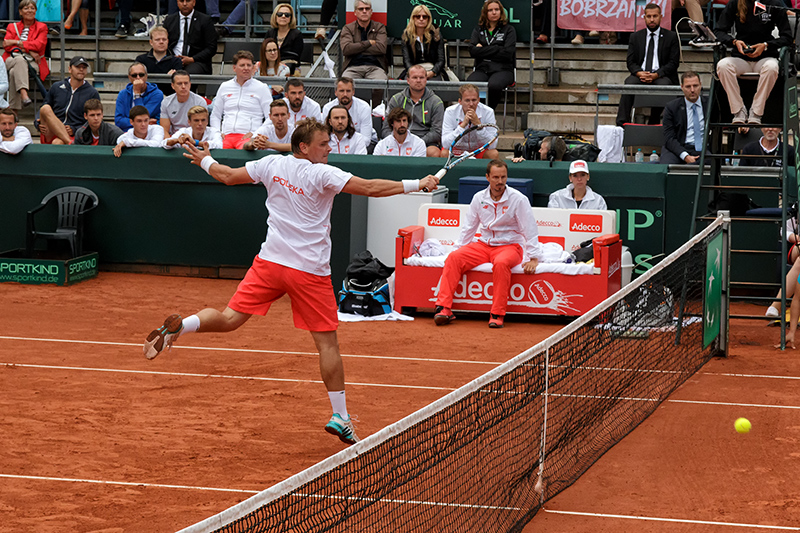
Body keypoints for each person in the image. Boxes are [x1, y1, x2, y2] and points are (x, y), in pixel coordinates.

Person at [143, 118, 440, 445]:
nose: (329, 149)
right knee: (327, 345)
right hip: (309, 272)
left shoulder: (271, 163)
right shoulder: (322, 173)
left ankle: (181, 327)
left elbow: (226, 176)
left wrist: (205, 160)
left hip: (270, 263)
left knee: (229, 319)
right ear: (304, 147)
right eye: (323, 144)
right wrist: (417, 183)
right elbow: (370, 188)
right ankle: (341, 416)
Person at [433, 159, 543, 329]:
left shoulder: (518, 199)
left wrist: (534, 257)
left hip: (510, 246)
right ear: (487, 177)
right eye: (496, 177)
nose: (500, 181)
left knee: (501, 263)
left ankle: (497, 314)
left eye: (503, 177)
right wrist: (456, 250)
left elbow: (529, 228)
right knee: (454, 258)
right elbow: (469, 227)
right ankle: (443, 308)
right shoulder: (479, 198)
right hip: (483, 245)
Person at [713, 0, 791, 125]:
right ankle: (739, 111)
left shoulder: (774, 3)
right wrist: (734, 42)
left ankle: (756, 112)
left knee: (772, 67)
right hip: (741, 58)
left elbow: (787, 37)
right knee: (723, 66)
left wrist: (766, 45)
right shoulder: (735, 3)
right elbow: (718, 31)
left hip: (765, 57)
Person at [615, 3, 681, 126]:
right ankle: (622, 123)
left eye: (655, 16)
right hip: (641, 75)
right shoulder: (635, 37)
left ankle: (654, 120)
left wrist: (656, 74)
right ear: (644, 17)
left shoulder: (671, 37)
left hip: (661, 75)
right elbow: (630, 62)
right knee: (628, 84)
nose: (652, 19)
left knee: (664, 85)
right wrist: (639, 73)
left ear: (661, 17)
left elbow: (673, 63)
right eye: (649, 16)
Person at [209, 50, 272, 149]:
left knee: (247, 149)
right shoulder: (225, 86)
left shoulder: (262, 88)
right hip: (226, 136)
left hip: (249, 138)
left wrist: (255, 134)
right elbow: (215, 115)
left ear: (253, 67)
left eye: (249, 65)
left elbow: (271, 117)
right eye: (242, 65)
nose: (246, 68)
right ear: (234, 68)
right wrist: (217, 134)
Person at [382, 64, 444, 158]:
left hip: (425, 142)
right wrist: (397, 141)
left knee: (434, 153)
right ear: (408, 80)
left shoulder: (436, 102)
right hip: (398, 140)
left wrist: (417, 143)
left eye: (421, 77)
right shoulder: (396, 100)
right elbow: (386, 128)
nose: (418, 80)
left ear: (426, 80)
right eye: (415, 77)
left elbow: (437, 132)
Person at [38, 56, 100, 145]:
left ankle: (68, 142)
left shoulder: (92, 93)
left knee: (57, 143)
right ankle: (70, 143)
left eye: (84, 67)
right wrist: (37, 123)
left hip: (73, 134)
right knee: (45, 108)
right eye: (78, 67)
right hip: (52, 129)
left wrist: (74, 129)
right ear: (70, 69)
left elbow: (94, 118)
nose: (81, 69)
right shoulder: (57, 87)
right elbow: (43, 107)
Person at [466, 0, 516, 110]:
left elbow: (507, 54)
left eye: (496, 10)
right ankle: (477, 113)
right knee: (470, 86)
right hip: (482, 69)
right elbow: (473, 51)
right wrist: (497, 48)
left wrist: (483, 50)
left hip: (503, 69)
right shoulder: (478, 29)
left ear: (501, 12)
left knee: (494, 85)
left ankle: (487, 112)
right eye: (490, 10)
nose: (494, 12)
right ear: (485, 13)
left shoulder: (509, 30)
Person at [2, 0, 50, 109]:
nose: (30, 11)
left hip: (33, 62)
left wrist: (15, 42)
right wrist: (29, 50)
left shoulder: (42, 27)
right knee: (19, 60)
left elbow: (39, 45)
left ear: (36, 11)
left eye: (32, 8)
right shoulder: (12, 26)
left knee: (14, 72)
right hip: (11, 59)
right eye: (26, 8)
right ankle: (24, 94)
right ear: (20, 12)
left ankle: (14, 111)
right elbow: (7, 46)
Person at [440, 83, 500, 160]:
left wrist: (479, 126)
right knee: (444, 153)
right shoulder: (450, 111)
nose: (471, 104)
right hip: (457, 149)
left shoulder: (488, 112)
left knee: (493, 154)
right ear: (460, 101)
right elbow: (445, 144)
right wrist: (462, 126)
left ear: (478, 100)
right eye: (467, 100)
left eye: (474, 100)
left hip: (479, 150)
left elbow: (493, 145)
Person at [661, 71, 709, 165]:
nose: (692, 90)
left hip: (703, 149)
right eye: (688, 87)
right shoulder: (672, 107)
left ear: (700, 85)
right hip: (678, 147)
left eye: (695, 86)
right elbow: (669, 137)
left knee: (710, 164)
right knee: (668, 166)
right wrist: (685, 156)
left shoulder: (710, 105)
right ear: (682, 87)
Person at [164, 0, 218, 75]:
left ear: (194, 2)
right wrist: (174, 58)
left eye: (188, 1)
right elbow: (164, 43)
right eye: (181, 1)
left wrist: (192, 59)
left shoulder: (205, 20)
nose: (184, 4)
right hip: (173, 60)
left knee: (186, 74)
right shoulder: (169, 20)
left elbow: (211, 47)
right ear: (177, 3)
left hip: (197, 62)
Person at [340, 0, 388, 80]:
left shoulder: (379, 27)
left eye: (367, 9)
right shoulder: (347, 28)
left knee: (380, 82)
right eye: (361, 9)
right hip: (353, 67)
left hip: (375, 67)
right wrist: (369, 43)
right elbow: (346, 49)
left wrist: (356, 47)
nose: (364, 11)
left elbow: (381, 48)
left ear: (371, 11)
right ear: (355, 12)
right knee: (346, 82)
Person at [400, 4, 446, 81]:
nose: (421, 19)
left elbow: (441, 60)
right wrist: (415, 73)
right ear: (413, 18)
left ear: (428, 19)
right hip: (414, 70)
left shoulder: (435, 34)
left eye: (424, 17)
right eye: (418, 16)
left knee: (435, 83)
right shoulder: (406, 36)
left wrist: (432, 72)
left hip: (432, 70)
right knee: (410, 82)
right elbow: (406, 61)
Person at [115, 63, 164, 132]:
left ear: (146, 76)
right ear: (129, 77)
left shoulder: (157, 94)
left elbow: (142, 116)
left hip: (148, 132)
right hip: (126, 132)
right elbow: (118, 121)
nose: (138, 78)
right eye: (134, 75)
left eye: (141, 75)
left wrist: (137, 94)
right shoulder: (122, 94)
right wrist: (143, 122)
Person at [135, 26, 183, 96]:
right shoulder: (141, 60)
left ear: (168, 41)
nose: (161, 42)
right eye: (157, 40)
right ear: (151, 42)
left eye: (164, 39)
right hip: (146, 97)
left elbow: (178, 85)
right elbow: (137, 81)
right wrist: (167, 79)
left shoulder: (176, 61)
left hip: (170, 97)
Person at [321, 77, 372, 141]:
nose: (345, 94)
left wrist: (348, 145)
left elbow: (366, 139)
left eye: (348, 91)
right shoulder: (328, 108)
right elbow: (325, 134)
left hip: (359, 144)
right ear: (335, 92)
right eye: (341, 91)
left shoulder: (364, 107)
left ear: (353, 92)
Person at [160, 70, 208, 137]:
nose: (183, 86)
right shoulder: (166, 102)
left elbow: (201, 127)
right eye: (179, 83)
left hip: (194, 137)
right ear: (173, 86)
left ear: (190, 84)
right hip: (174, 137)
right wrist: (171, 141)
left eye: (186, 83)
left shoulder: (200, 102)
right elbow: (164, 131)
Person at [263, 3, 304, 76]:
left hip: (291, 67)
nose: (283, 16)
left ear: (291, 18)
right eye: (280, 14)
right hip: (271, 65)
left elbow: (295, 56)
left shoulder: (297, 34)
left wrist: (279, 63)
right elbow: (264, 51)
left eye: (287, 15)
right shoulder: (270, 33)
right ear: (275, 17)